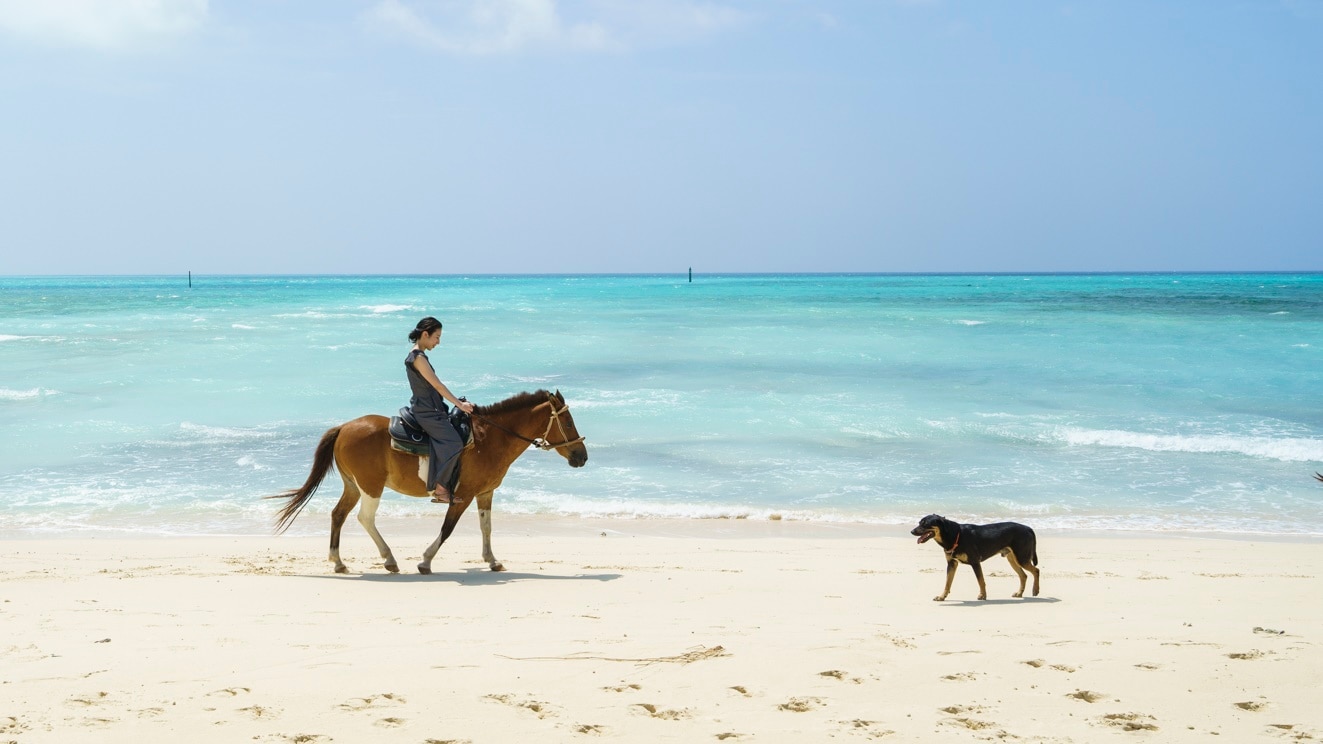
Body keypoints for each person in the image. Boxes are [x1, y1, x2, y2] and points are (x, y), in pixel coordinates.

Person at [405, 317, 476, 503]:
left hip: (431, 408)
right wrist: (460, 406)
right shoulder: (418, 358)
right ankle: (441, 489)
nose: (438, 342)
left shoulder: (418, 356)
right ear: (425, 334)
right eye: (436, 337)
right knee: (454, 444)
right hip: (428, 412)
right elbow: (438, 386)